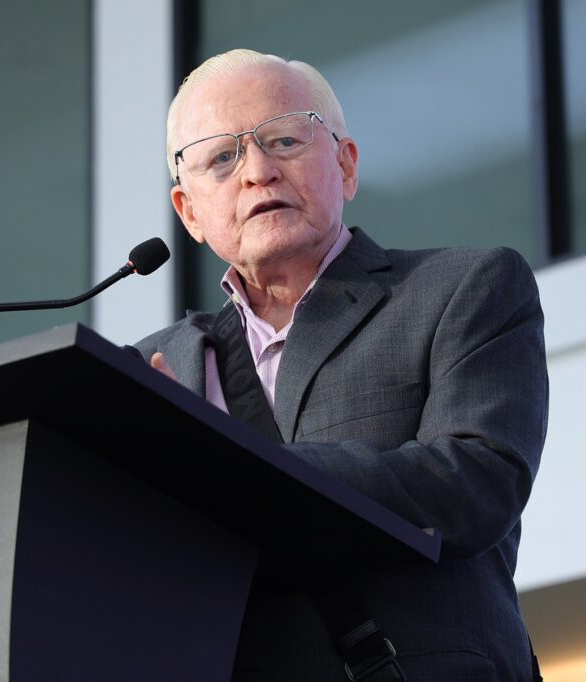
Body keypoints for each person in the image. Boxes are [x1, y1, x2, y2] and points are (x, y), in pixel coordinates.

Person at [133, 49, 548, 681]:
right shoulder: (155, 369)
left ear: (346, 165)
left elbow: (477, 481)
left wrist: (231, 471)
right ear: (189, 211)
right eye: (222, 158)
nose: (258, 173)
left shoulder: (464, 287)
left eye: (284, 140)